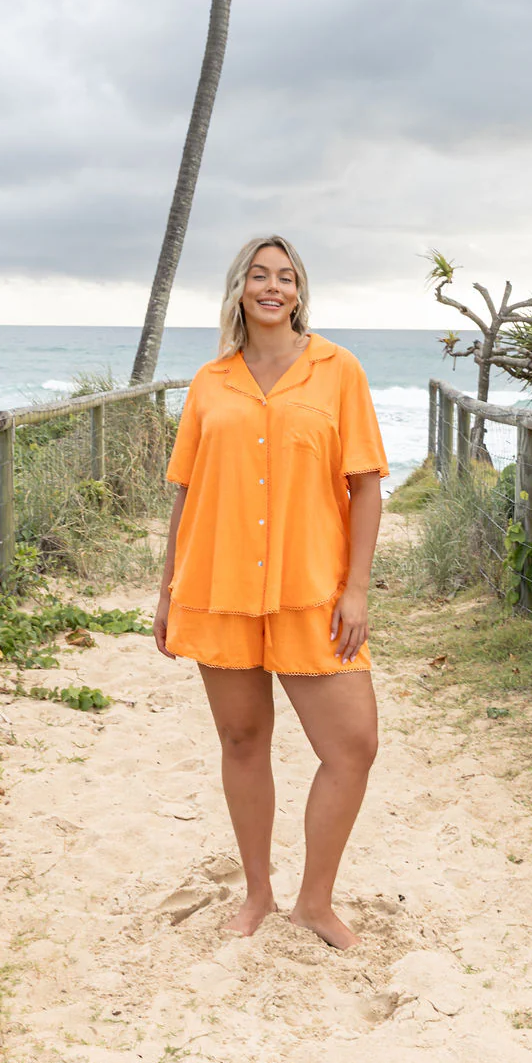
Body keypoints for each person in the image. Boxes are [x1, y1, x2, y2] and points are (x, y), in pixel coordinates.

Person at [153, 235, 388, 949]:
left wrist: (356, 589)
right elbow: (187, 493)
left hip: (310, 589)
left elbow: (366, 486)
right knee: (242, 738)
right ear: (239, 289)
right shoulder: (209, 383)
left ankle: (314, 903)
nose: (272, 286)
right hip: (217, 585)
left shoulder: (337, 371)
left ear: (299, 292)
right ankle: (257, 893)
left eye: (285, 277)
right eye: (259, 275)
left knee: (353, 744)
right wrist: (166, 592)